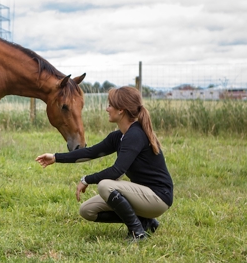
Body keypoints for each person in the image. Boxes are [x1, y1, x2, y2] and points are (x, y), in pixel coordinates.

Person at [35, 86, 173, 242]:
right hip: (144, 196)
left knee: (106, 186)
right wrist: (55, 157)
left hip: (158, 198)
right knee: (87, 210)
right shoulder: (119, 136)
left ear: (121, 110)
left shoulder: (135, 135)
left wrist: (86, 179)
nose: (107, 109)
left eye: (110, 105)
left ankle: (137, 232)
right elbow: (90, 152)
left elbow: (116, 171)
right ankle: (146, 222)